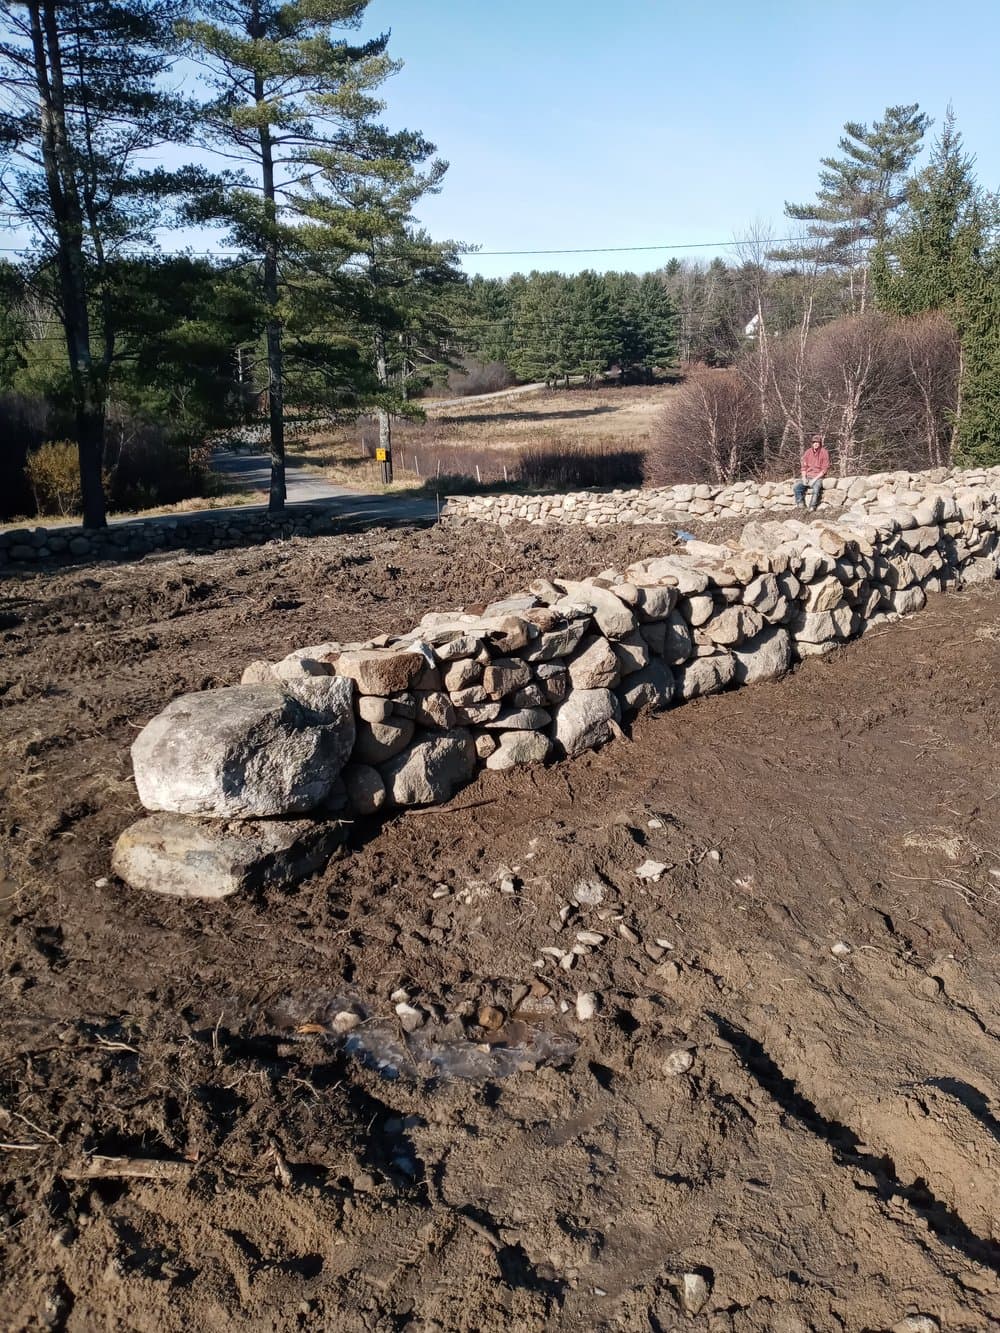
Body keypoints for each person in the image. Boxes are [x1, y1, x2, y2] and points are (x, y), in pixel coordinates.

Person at [794, 434, 831, 510]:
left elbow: (824, 469)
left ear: (820, 443)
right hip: (808, 476)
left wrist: (814, 480)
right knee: (797, 487)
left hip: (818, 477)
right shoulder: (807, 452)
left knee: (816, 488)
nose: (816, 444)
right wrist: (804, 478)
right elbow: (804, 467)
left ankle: (812, 507)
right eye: (814, 442)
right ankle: (801, 505)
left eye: (818, 442)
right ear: (812, 443)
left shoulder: (824, 452)